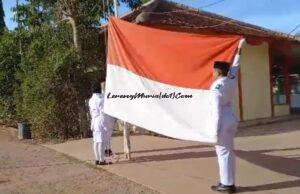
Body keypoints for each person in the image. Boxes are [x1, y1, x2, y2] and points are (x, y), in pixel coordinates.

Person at [210, 39, 245, 193]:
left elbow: (216, 110)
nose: (212, 73)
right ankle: (228, 182)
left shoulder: (217, 86)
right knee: (229, 152)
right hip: (231, 118)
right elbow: (236, 66)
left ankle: (227, 185)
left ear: (218, 72)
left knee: (223, 153)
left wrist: (214, 130)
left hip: (222, 120)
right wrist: (239, 49)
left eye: (213, 71)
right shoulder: (230, 79)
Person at [89, 83, 112, 165]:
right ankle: (102, 160)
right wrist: (105, 125)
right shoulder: (101, 100)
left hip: (94, 121)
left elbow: (91, 113)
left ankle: (97, 159)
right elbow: (102, 113)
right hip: (100, 121)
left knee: (95, 141)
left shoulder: (91, 99)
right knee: (101, 141)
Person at [100, 81, 116, 157]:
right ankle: (106, 150)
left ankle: (107, 149)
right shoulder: (101, 96)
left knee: (108, 134)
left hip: (109, 116)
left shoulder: (109, 93)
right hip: (105, 117)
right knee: (106, 134)